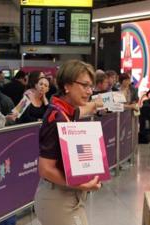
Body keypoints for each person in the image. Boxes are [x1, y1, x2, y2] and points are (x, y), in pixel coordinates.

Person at [34, 60, 103, 225]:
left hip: (69, 197)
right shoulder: (56, 118)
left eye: (90, 86)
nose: (89, 91)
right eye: (84, 85)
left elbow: (83, 110)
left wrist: (96, 104)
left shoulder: (66, 110)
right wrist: (81, 184)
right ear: (67, 86)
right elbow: (45, 169)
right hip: (57, 199)